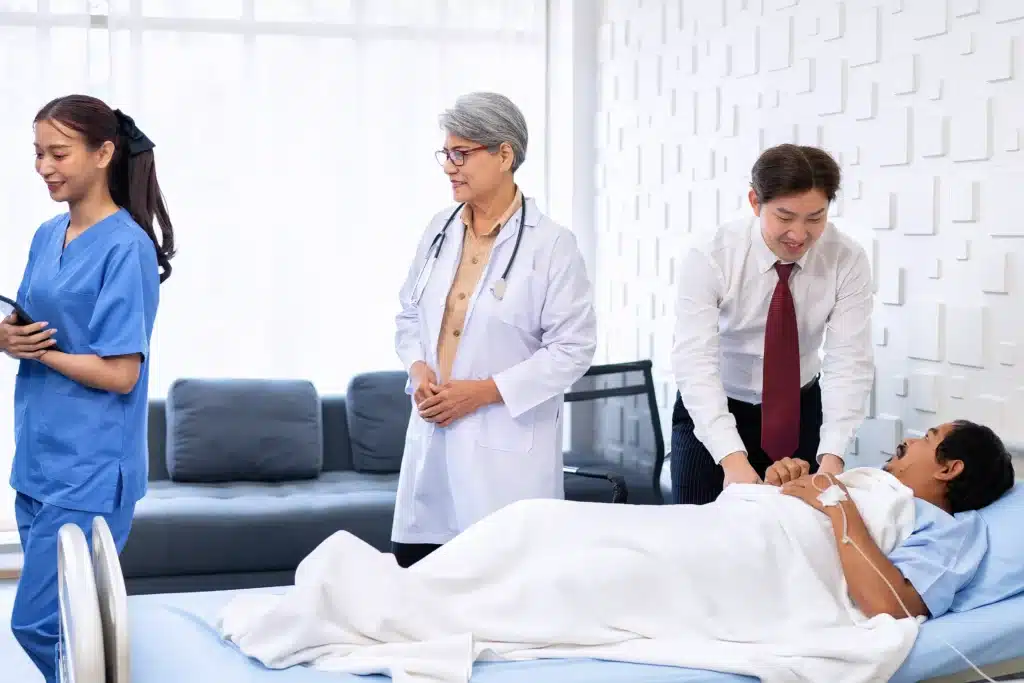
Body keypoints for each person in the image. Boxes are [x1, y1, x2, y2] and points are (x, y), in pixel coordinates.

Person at [0, 94, 174, 683]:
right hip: (39, 458)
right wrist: (9, 338)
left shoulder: (128, 249)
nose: (45, 167)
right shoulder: (48, 233)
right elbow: (30, 321)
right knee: (75, 626)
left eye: (59, 153)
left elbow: (121, 372)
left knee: (39, 623)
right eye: (38, 153)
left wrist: (43, 352)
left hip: (91, 468)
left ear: (104, 153)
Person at [391, 91, 597, 568]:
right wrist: (418, 368)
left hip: (505, 454)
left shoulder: (552, 246)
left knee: (500, 592)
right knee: (417, 576)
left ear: (504, 154)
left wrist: (483, 392)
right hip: (432, 435)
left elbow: (573, 349)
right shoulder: (438, 230)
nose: (448, 166)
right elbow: (408, 314)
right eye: (446, 153)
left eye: (461, 153)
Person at [670, 143, 874, 504]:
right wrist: (732, 460)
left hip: (798, 412)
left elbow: (849, 361)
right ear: (754, 202)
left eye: (815, 218)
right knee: (701, 536)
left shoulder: (847, 258)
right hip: (714, 407)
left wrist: (832, 459)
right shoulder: (711, 255)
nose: (799, 234)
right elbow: (695, 362)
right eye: (784, 216)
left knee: (796, 534)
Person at [768, 420, 1014, 620]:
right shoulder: (871, 485)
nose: (908, 441)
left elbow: (892, 606)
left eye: (927, 438)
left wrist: (838, 504)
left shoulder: (947, 531)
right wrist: (783, 482)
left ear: (948, 469)